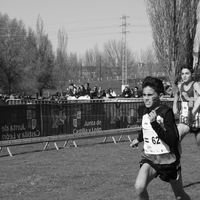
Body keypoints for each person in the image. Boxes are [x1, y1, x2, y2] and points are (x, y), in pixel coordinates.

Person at [130, 76, 190, 200]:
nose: (146, 98)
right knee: (139, 187)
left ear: (160, 96)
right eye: (144, 94)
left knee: (179, 196)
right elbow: (146, 129)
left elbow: (171, 139)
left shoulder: (166, 113)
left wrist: (155, 124)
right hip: (150, 158)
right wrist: (139, 139)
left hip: (168, 160)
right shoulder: (145, 112)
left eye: (150, 95)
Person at [173, 65, 200, 148]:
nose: (184, 76)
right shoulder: (180, 86)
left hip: (196, 118)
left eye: (187, 73)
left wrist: (193, 111)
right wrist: (175, 106)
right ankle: (177, 159)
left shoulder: (195, 85)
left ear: (192, 74)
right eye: (182, 74)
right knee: (176, 137)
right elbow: (176, 95)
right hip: (185, 118)